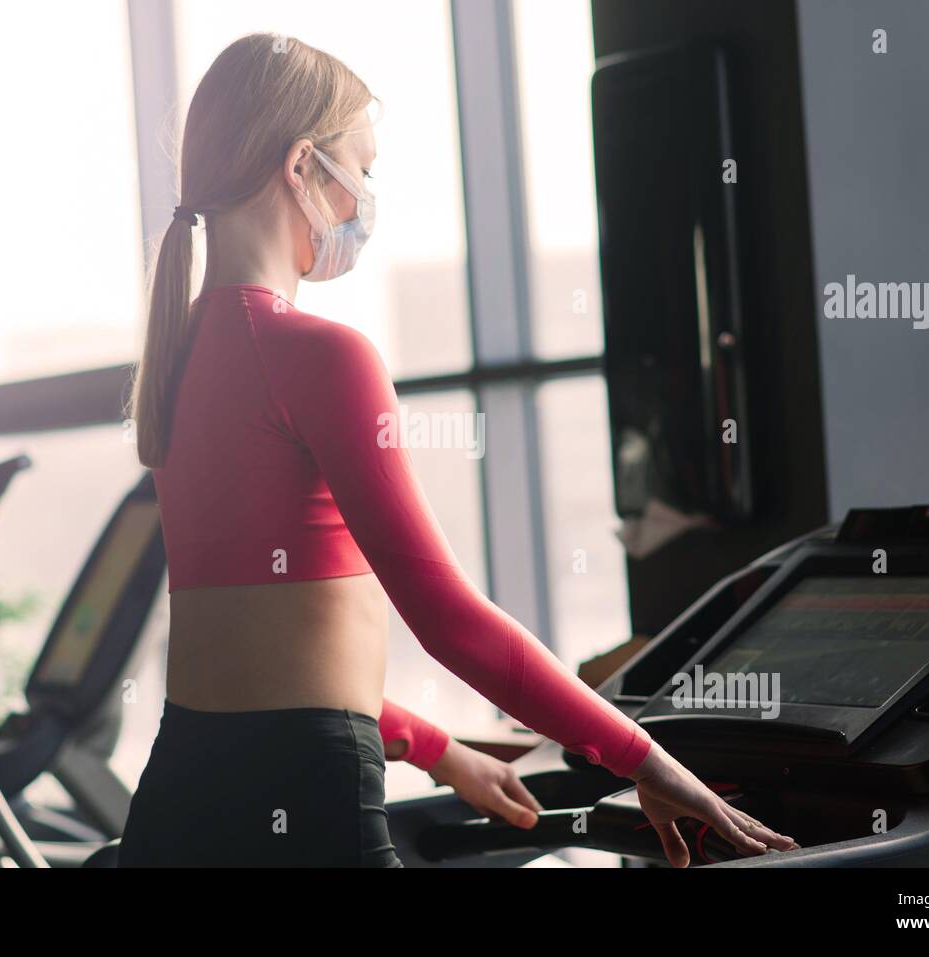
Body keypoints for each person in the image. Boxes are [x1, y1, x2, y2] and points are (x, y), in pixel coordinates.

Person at [117, 32, 797, 868]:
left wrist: (436, 748)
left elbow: (268, 665)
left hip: (178, 798)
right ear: (301, 169)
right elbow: (447, 618)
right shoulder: (321, 355)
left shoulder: (180, 362)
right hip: (310, 799)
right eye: (359, 170)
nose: (365, 197)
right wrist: (644, 759)